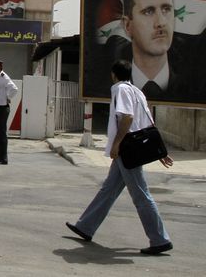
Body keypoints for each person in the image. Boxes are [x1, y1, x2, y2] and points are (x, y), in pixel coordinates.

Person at [66, 59, 174, 255]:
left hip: (127, 149)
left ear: (113, 74)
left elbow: (128, 117)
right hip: (132, 148)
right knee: (108, 189)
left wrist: (116, 144)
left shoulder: (120, 90)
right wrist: (160, 151)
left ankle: (160, 239)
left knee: (141, 195)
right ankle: (85, 226)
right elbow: (148, 122)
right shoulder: (137, 92)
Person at [121, 0, 180, 100]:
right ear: (127, 25)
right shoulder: (114, 87)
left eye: (166, 9)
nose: (161, 22)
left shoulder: (192, 87)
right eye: (148, 11)